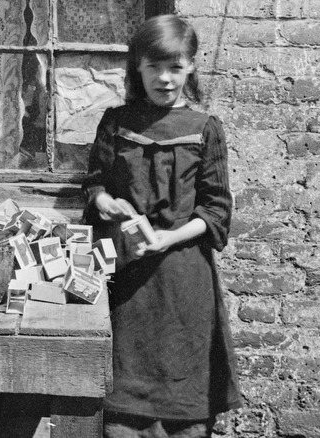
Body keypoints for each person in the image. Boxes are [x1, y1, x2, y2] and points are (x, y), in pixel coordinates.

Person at [81, 15, 242, 438]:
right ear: (138, 67)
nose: (165, 78)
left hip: (183, 281)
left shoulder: (204, 129)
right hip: (127, 279)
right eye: (154, 66)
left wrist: (170, 236)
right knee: (122, 408)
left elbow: (216, 212)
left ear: (191, 66)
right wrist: (104, 201)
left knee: (183, 408)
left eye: (175, 66)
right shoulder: (115, 123)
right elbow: (94, 183)